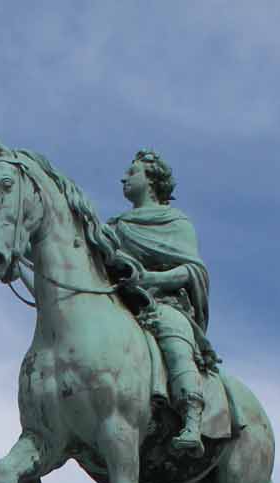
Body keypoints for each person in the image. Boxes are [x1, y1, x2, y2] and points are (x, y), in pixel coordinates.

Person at [104, 149, 219, 458]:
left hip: (163, 304)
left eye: (133, 172)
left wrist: (151, 280)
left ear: (152, 180)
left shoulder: (176, 222)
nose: (124, 178)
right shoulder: (114, 227)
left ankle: (191, 417)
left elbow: (192, 270)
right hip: (121, 301)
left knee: (172, 334)